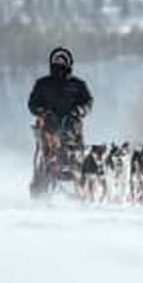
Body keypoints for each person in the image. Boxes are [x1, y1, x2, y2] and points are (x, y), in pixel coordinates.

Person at [27, 47, 93, 184]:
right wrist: (43, 112)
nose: (60, 64)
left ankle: (75, 168)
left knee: (70, 137)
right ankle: (45, 172)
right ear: (52, 63)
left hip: (71, 124)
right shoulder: (42, 84)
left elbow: (88, 102)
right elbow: (32, 104)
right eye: (57, 61)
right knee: (49, 140)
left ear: (68, 63)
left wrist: (79, 111)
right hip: (49, 125)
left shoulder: (78, 85)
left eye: (63, 61)